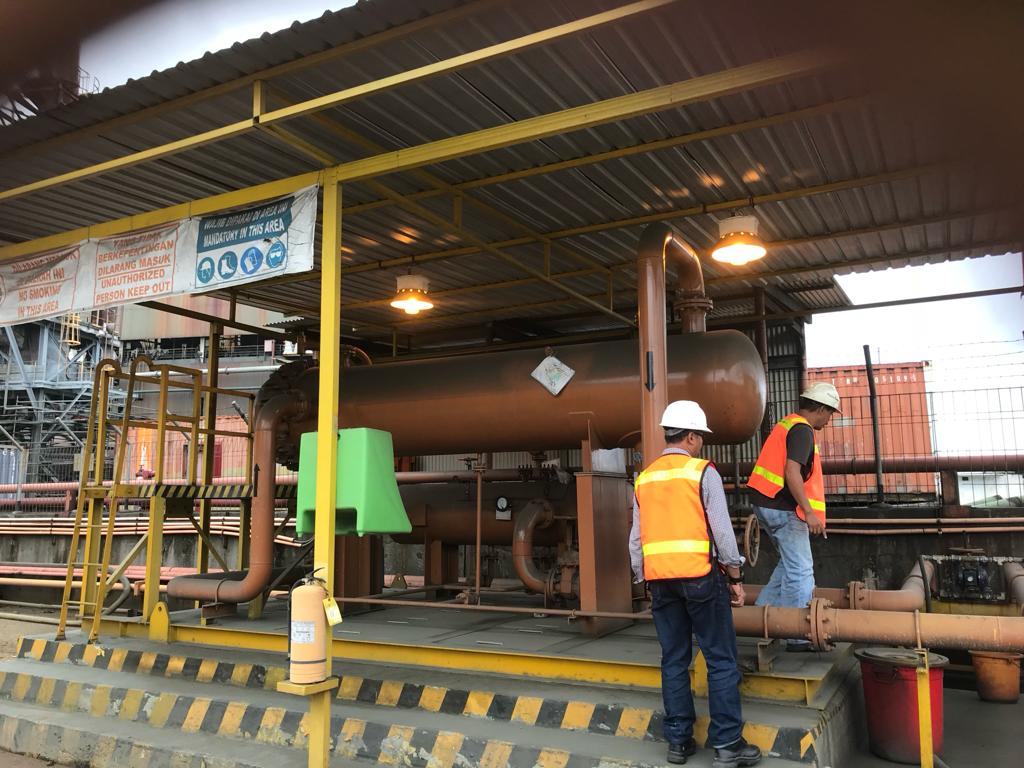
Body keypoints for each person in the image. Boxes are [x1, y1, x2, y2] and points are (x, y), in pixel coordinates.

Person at [630, 400, 761, 768]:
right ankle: (727, 745)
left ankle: (678, 741)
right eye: (700, 436)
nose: (701, 442)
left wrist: (642, 577)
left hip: (660, 582)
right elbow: (722, 532)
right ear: (689, 437)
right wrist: (735, 577)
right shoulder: (703, 472)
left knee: (673, 659)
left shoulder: (645, 479)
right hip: (700, 578)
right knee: (720, 659)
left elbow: (635, 540)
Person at [746, 382, 840, 652]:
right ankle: (797, 635)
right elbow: (791, 472)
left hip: (765, 503)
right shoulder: (802, 430)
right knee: (800, 570)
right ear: (820, 409)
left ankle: (760, 616)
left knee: (788, 566)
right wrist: (809, 512)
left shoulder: (787, 424)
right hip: (784, 508)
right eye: (830, 413)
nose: (829, 420)